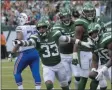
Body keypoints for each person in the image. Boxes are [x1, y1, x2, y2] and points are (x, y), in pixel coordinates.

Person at [12, 16, 71, 90]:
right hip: (46, 65)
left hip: (58, 64)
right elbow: (29, 42)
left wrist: (78, 42)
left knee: (65, 85)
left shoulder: (55, 34)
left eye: (43, 27)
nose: (41, 30)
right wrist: (21, 42)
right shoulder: (36, 37)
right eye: (39, 28)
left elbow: (67, 39)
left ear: (48, 27)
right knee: (48, 85)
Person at [9, 13, 41, 90]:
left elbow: (19, 41)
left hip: (25, 53)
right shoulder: (34, 27)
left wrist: (12, 52)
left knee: (16, 72)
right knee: (36, 73)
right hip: (35, 52)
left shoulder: (20, 27)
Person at [52, 7, 80, 89]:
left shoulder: (76, 24)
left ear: (70, 16)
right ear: (60, 18)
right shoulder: (57, 26)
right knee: (67, 78)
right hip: (63, 55)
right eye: (64, 17)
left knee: (78, 75)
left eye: (67, 16)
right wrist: (71, 40)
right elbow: (60, 42)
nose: (66, 19)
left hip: (74, 53)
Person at [72, 2, 96, 90]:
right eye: (87, 12)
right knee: (84, 76)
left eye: (91, 11)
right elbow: (76, 40)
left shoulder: (96, 20)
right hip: (84, 52)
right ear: (83, 12)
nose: (90, 14)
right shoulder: (80, 24)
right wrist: (74, 55)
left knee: (97, 76)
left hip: (95, 52)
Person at [87, 22, 110, 90]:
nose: (93, 35)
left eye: (95, 32)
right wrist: (94, 68)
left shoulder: (107, 39)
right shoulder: (92, 42)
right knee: (94, 76)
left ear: (99, 31)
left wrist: (103, 69)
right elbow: (95, 58)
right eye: (91, 33)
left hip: (110, 63)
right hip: (104, 63)